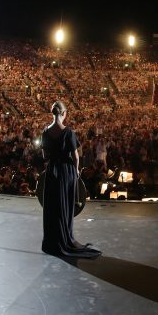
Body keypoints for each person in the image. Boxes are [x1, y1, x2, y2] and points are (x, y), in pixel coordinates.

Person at [40, 101, 101, 258]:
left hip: (51, 172)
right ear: (64, 114)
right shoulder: (68, 132)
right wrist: (76, 172)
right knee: (64, 207)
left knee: (52, 207)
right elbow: (75, 157)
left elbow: (44, 156)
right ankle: (65, 239)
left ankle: (52, 241)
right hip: (66, 171)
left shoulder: (45, 132)